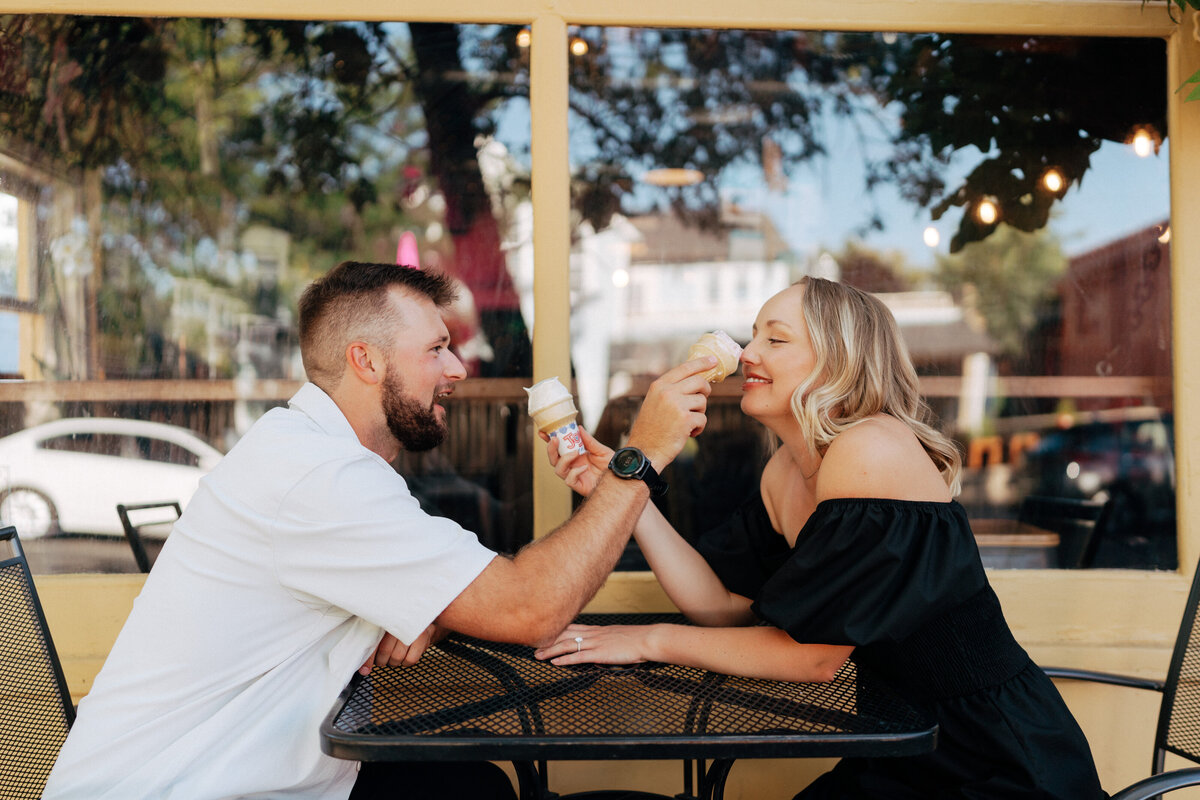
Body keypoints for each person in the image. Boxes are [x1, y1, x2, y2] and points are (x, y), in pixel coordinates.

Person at [42, 261, 714, 800]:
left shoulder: (311, 454)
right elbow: (529, 607)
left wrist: (432, 607)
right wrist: (641, 456)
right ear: (367, 361)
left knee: (471, 785)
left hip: (258, 772)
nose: (457, 370)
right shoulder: (321, 479)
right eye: (437, 349)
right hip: (188, 787)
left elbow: (486, 593)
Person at [534, 277, 1107, 799]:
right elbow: (723, 608)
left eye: (775, 340)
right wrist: (627, 496)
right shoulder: (784, 470)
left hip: (994, 758)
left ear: (839, 361)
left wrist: (649, 640)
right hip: (901, 746)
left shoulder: (869, 450)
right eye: (753, 335)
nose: (747, 353)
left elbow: (814, 658)